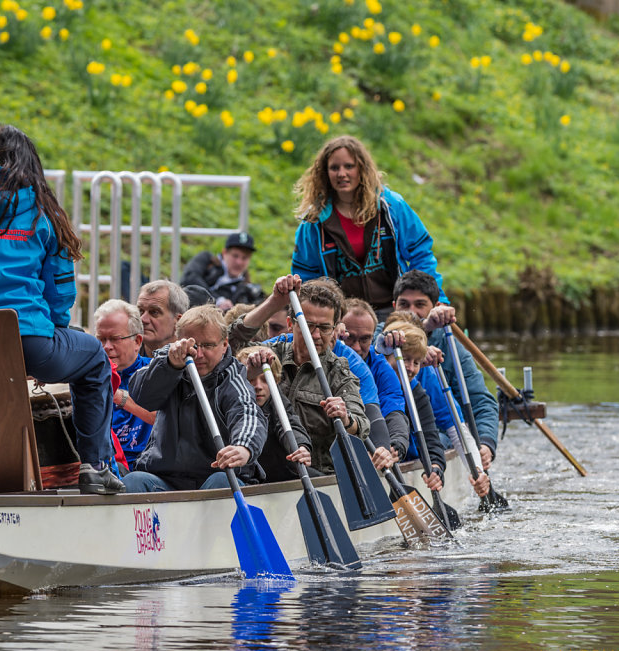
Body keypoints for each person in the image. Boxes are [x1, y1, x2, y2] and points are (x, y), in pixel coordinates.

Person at [0, 124, 123, 495]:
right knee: (93, 358)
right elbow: (61, 292)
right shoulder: (41, 217)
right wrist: (55, 330)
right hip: (28, 341)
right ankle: (95, 467)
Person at [290, 135, 448, 319]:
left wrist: (438, 300)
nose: (342, 173)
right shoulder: (313, 223)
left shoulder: (391, 207)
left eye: (349, 166)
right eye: (334, 168)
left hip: (395, 312)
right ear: (325, 173)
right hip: (345, 319)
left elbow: (420, 254)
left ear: (362, 169)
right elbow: (306, 277)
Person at [228, 276, 370, 473]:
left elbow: (362, 427)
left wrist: (346, 419)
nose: (315, 335)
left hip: (312, 474)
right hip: (258, 471)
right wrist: (274, 302)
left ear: (335, 328)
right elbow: (230, 343)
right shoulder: (268, 353)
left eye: (324, 327)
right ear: (290, 323)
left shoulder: (338, 372)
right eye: (308, 325)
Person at [125, 306, 266, 492]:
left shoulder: (232, 378)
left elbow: (248, 413)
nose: (198, 354)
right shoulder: (165, 361)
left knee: (221, 482)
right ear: (178, 341)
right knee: (133, 481)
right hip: (165, 479)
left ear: (224, 345)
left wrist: (243, 447)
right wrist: (170, 366)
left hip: (217, 476)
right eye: (192, 345)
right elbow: (142, 396)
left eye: (208, 345)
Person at [390, 270, 499, 471]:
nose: (412, 311)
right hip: (390, 434)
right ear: (394, 306)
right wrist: (424, 327)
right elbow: (380, 344)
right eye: (404, 304)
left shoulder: (452, 349)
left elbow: (480, 402)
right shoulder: (381, 336)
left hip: (436, 437)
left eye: (420, 304)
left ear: (435, 307)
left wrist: (485, 444)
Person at [379, 321, 490, 497]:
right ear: (386, 356)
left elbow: (434, 439)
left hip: (409, 451)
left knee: (440, 440)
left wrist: (437, 468)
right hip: (383, 455)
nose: (410, 368)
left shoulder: (418, 390)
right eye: (405, 359)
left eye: (416, 362)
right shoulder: (371, 377)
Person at [340, 297, 411, 461]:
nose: (357, 348)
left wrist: (396, 444)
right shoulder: (326, 356)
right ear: (339, 331)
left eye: (364, 339)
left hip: (370, 439)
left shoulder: (379, 364)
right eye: (350, 338)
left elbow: (392, 406)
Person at [235, 346, 314, 483]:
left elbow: (288, 423)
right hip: (243, 478)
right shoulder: (230, 402)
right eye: (251, 378)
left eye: (265, 379)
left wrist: (300, 447)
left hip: (277, 476)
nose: (258, 386)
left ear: (276, 381)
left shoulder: (276, 399)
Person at [93, 299, 156, 470]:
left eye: (114, 339)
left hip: (148, 468)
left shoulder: (157, 372)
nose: (106, 347)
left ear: (137, 341)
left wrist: (118, 397)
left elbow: (164, 418)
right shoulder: (90, 378)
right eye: (101, 339)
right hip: (104, 467)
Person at [181, 232, 264, 312]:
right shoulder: (206, 260)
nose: (239, 262)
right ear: (224, 253)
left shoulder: (246, 289)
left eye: (244, 258)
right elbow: (189, 278)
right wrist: (218, 300)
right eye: (235, 256)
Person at [136, 279, 189, 358]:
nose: (143, 319)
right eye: (140, 311)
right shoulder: (123, 356)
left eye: (154, 312)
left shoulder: (194, 361)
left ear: (178, 321)